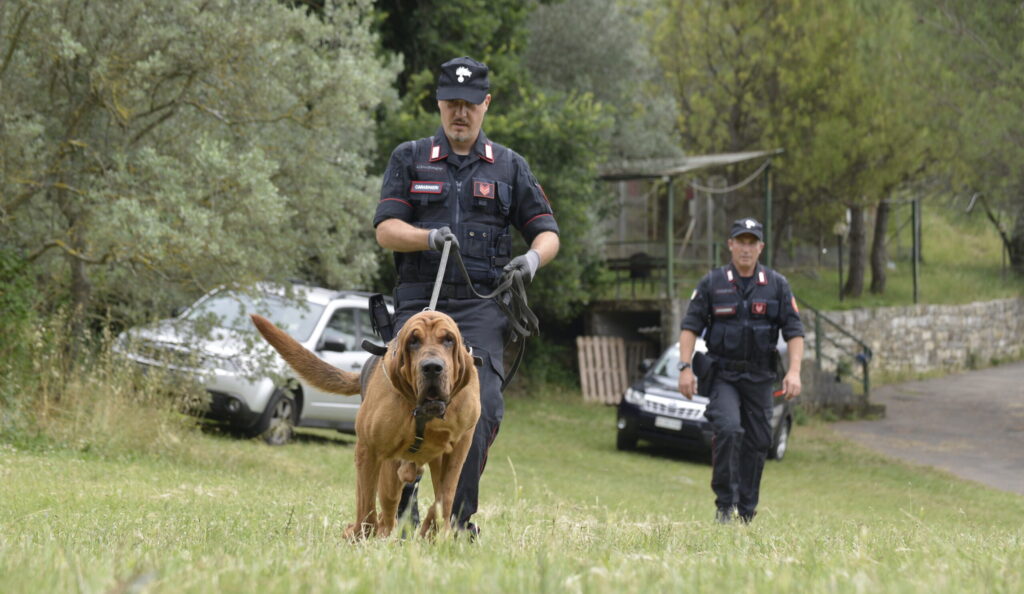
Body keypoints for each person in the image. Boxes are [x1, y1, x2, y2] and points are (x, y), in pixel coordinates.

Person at [373, 57, 560, 536]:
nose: (461, 113)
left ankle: (454, 520)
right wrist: (428, 237)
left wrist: (532, 261)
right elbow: (386, 231)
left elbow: (547, 233)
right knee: (402, 395)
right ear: (439, 103)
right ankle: (404, 490)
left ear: (485, 105)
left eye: (471, 105)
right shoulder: (409, 157)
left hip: (480, 308)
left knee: (486, 404)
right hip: (419, 300)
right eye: (453, 103)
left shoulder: (510, 166)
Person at [677, 217, 804, 524]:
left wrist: (795, 372)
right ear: (730, 245)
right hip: (724, 375)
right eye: (740, 242)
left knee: (760, 440)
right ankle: (725, 505)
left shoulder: (777, 285)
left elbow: (795, 330)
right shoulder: (712, 283)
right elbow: (689, 328)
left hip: (761, 376)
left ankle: (746, 511)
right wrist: (684, 368)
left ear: (760, 247)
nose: (746, 249)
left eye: (752, 243)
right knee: (729, 429)